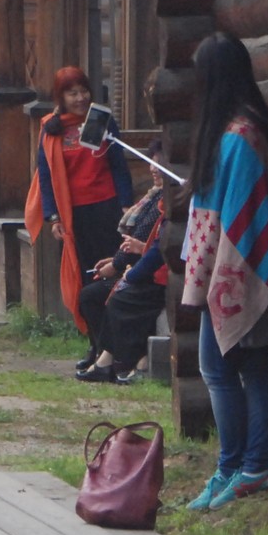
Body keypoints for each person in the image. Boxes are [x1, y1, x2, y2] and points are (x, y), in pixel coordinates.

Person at [181, 33, 268, 511]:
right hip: (228, 264)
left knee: (227, 368)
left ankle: (249, 465)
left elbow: (239, 217)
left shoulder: (239, 136)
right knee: (241, 366)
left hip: (240, 267)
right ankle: (237, 467)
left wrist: (217, 271)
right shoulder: (241, 128)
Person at [26, 66, 132, 334]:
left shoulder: (101, 121)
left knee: (112, 271)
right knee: (85, 275)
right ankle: (95, 338)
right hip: (74, 214)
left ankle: (115, 339)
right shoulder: (51, 129)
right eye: (72, 93)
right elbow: (46, 175)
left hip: (107, 208)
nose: (80, 98)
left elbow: (118, 164)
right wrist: (53, 217)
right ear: (61, 97)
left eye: (83, 91)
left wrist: (126, 204)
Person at [74, 164, 169, 384]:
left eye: (159, 164)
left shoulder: (167, 207)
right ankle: (103, 354)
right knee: (92, 295)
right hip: (142, 268)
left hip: (157, 275)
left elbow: (154, 249)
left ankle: (121, 360)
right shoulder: (153, 200)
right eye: (151, 163)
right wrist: (121, 263)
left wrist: (126, 271)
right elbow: (141, 244)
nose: (153, 169)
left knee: (118, 299)